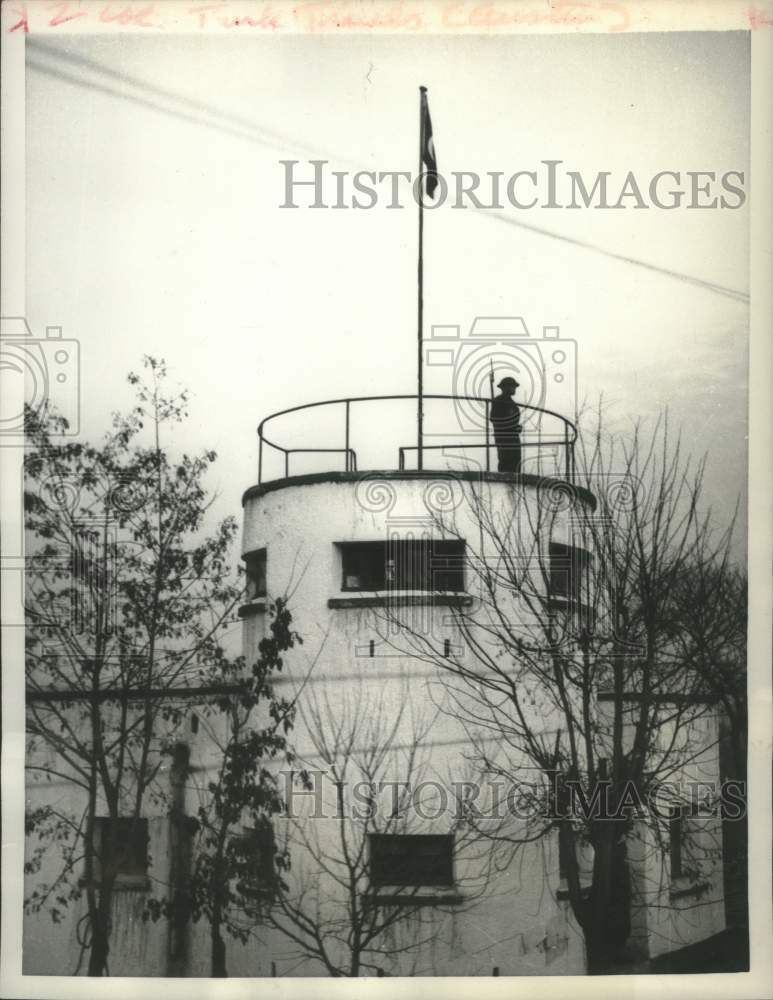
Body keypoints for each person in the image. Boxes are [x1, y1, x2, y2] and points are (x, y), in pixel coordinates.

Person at [490, 376, 522, 473]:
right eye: (512, 386)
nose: (514, 388)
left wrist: (516, 427)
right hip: (504, 437)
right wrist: (511, 427)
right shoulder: (498, 401)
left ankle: (514, 480)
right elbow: (494, 418)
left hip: (513, 437)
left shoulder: (512, 404)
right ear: (505, 388)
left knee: (516, 461)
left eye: (514, 387)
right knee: (505, 461)